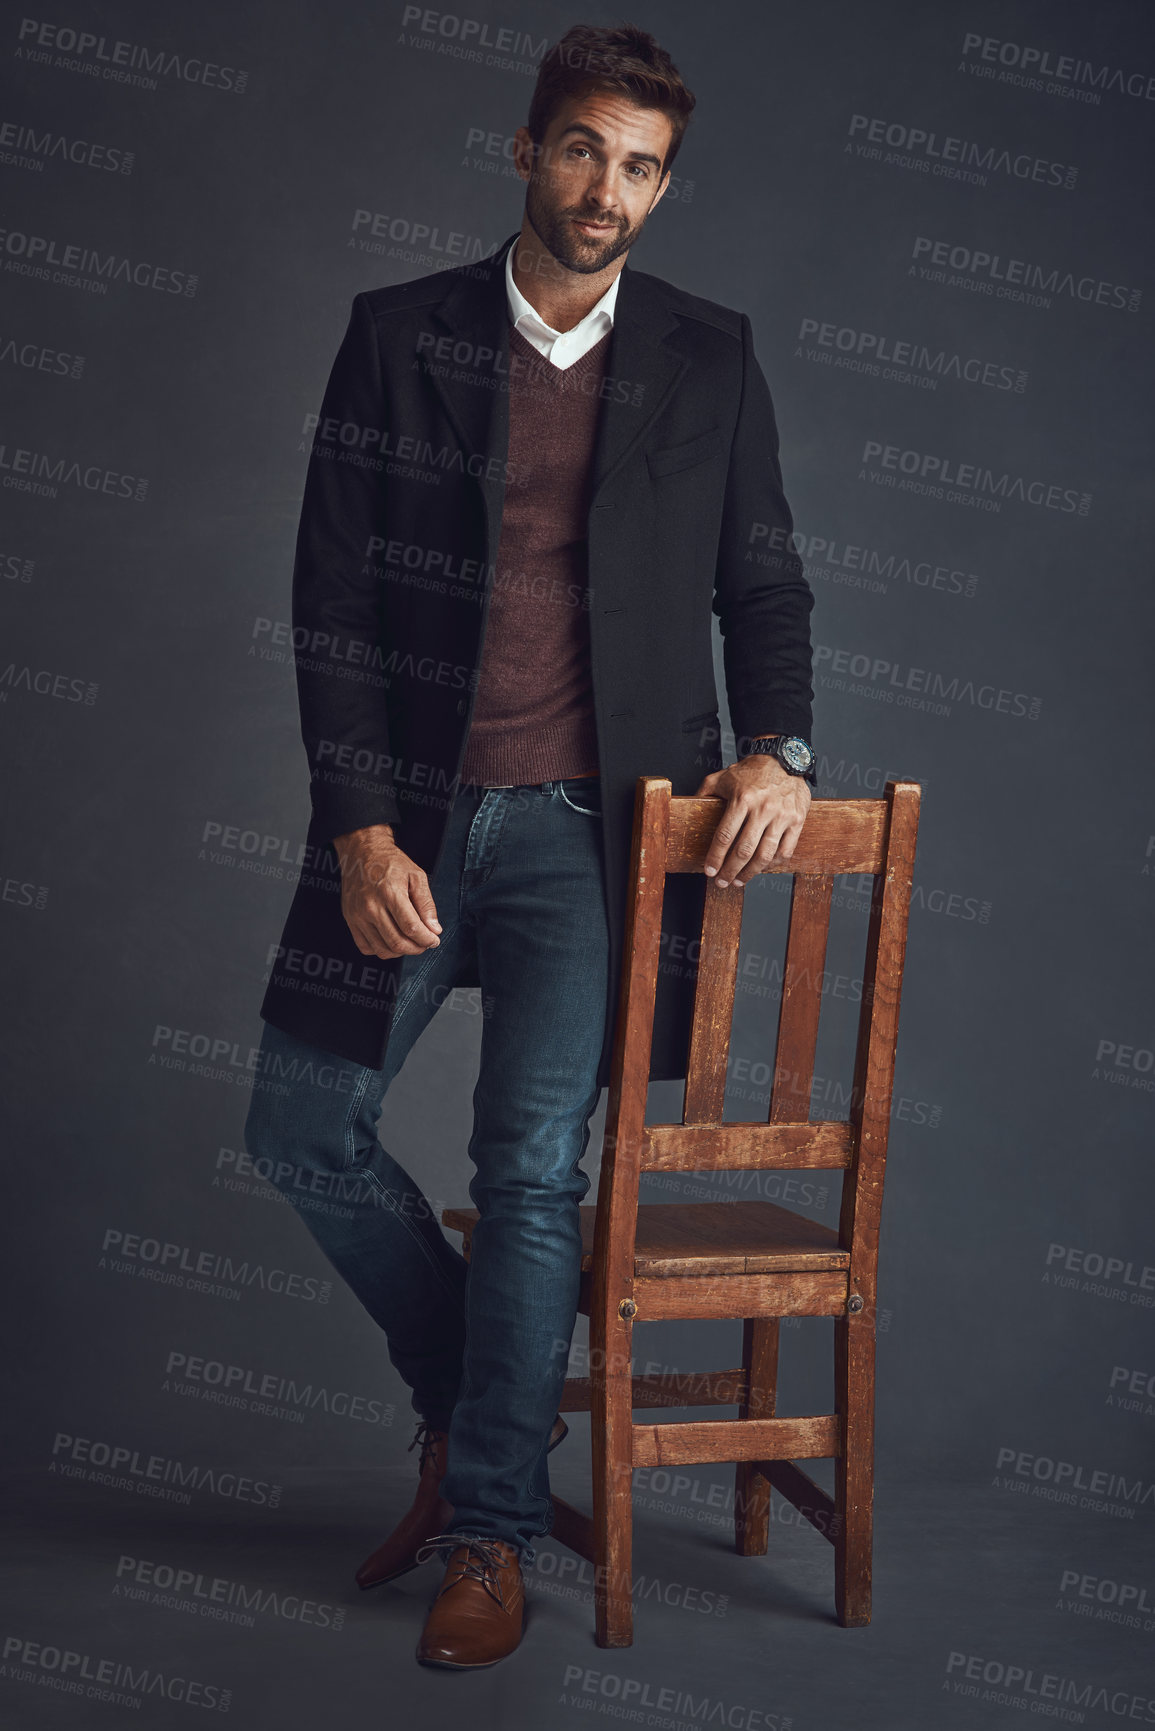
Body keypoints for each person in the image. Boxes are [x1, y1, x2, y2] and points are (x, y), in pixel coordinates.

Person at [245, 20, 817, 1670]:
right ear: (525, 150)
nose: (607, 191)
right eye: (582, 150)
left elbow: (762, 585)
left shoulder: (710, 357)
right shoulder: (397, 334)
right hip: (410, 818)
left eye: (642, 166)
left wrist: (778, 745)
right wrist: (356, 828)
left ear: (665, 184)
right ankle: (470, 1404)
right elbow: (332, 597)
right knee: (299, 1124)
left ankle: (491, 1530)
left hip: (599, 838)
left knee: (530, 1174)